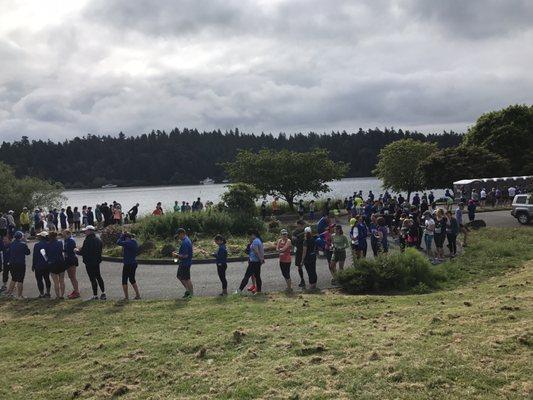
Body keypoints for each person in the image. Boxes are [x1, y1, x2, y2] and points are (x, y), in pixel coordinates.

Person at [76, 225, 106, 300]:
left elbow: (83, 252)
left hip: (89, 262)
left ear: (89, 231)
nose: (85, 232)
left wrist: (77, 251)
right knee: (99, 277)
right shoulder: (98, 240)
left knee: (92, 279)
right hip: (97, 261)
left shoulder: (87, 240)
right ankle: (103, 293)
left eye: (86, 231)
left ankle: (95, 295)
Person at [237, 230, 264, 295]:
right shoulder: (259, 240)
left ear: (253, 235)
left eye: (250, 235)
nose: (250, 237)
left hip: (254, 262)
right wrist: (261, 259)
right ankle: (259, 291)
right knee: (257, 276)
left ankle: (239, 290)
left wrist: (260, 258)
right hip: (257, 262)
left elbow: (256, 251)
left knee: (247, 276)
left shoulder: (255, 241)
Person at [5, 231, 30, 299]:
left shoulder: (11, 244)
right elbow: (28, 252)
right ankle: (19, 295)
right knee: (20, 280)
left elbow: (8, 252)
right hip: (20, 263)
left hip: (12, 263)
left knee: (13, 279)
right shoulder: (23, 244)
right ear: (21, 237)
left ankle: (9, 294)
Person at [117, 232, 141, 300]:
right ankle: (138, 295)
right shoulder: (134, 242)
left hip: (128, 264)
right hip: (134, 263)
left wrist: (122, 236)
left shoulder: (128, 243)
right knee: (132, 279)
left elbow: (118, 242)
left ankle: (126, 297)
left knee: (124, 280)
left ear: (127, 238)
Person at [173, 228, 194, 299]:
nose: (178, 237)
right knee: (179, 276)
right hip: (183, 263)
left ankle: (191, 293)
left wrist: (176, 255)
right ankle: (188, 291)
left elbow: (186, 255)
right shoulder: (186, 240)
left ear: (182, 234)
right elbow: (184, 253)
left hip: (186, 263)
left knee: (187, 278)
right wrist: (178, 254)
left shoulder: (185, 242)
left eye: (178, 235)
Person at [46, 231, 66, 299]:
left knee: (56, 282)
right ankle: (62, 295)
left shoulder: (48, 244)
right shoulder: (60, 243)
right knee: (62, 280)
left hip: (52, 263)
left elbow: (46, 255)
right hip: (60, 262)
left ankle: (57, 296)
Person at [33, 231, 51, 298]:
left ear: (41, 237)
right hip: (46, 265)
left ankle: (42, 293)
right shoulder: (48, 244)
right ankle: (48, 292)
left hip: (38, 265)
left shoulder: (37, 245)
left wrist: (33, 265)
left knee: (39, 280)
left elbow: (34, 256)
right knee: (47, 279)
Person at [63, 229, 80, 299]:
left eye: (65, 234)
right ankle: (75, 290)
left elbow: (72, 250)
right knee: (70, 276)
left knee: (73, 276)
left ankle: (77, 292)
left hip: (71, 259)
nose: (63, 236)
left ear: (68, 234)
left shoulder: (71, 240)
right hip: (67, 260)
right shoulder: (66, 240)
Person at [292, 220, 306, 288]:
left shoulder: (306, 231)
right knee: (299, 266)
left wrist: (298, 238)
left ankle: (312, 280)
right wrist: (299, 238)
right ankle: (302, 280)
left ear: (303, 225)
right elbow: (293, 241)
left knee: (308, 265)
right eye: (298, 226)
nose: (299, 227)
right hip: (298, 251)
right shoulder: (295, 232)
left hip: (306, 251)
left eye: (300, 226)